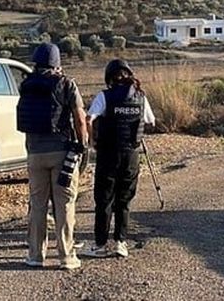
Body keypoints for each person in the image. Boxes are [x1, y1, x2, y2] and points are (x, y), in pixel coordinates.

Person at [16, 43, 89, 270]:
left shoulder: (26, 85)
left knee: (37, 204)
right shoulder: (66, 84)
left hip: (34, 153)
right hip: (61, 152)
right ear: (57, 63)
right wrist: (83, 144)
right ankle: (67, 256)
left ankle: (35, 256)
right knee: (65, 203)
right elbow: (79, 117)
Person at [83, 58, 155, 259]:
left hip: (108, 154)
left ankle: (100, 244)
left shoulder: (104, 96)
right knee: (124, 201)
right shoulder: (141, 96)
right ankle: (120, 242)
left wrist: (92, 141)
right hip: (131, 155)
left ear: (109, 77)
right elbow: (151, 120)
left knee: (104, 200)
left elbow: (89, 118)